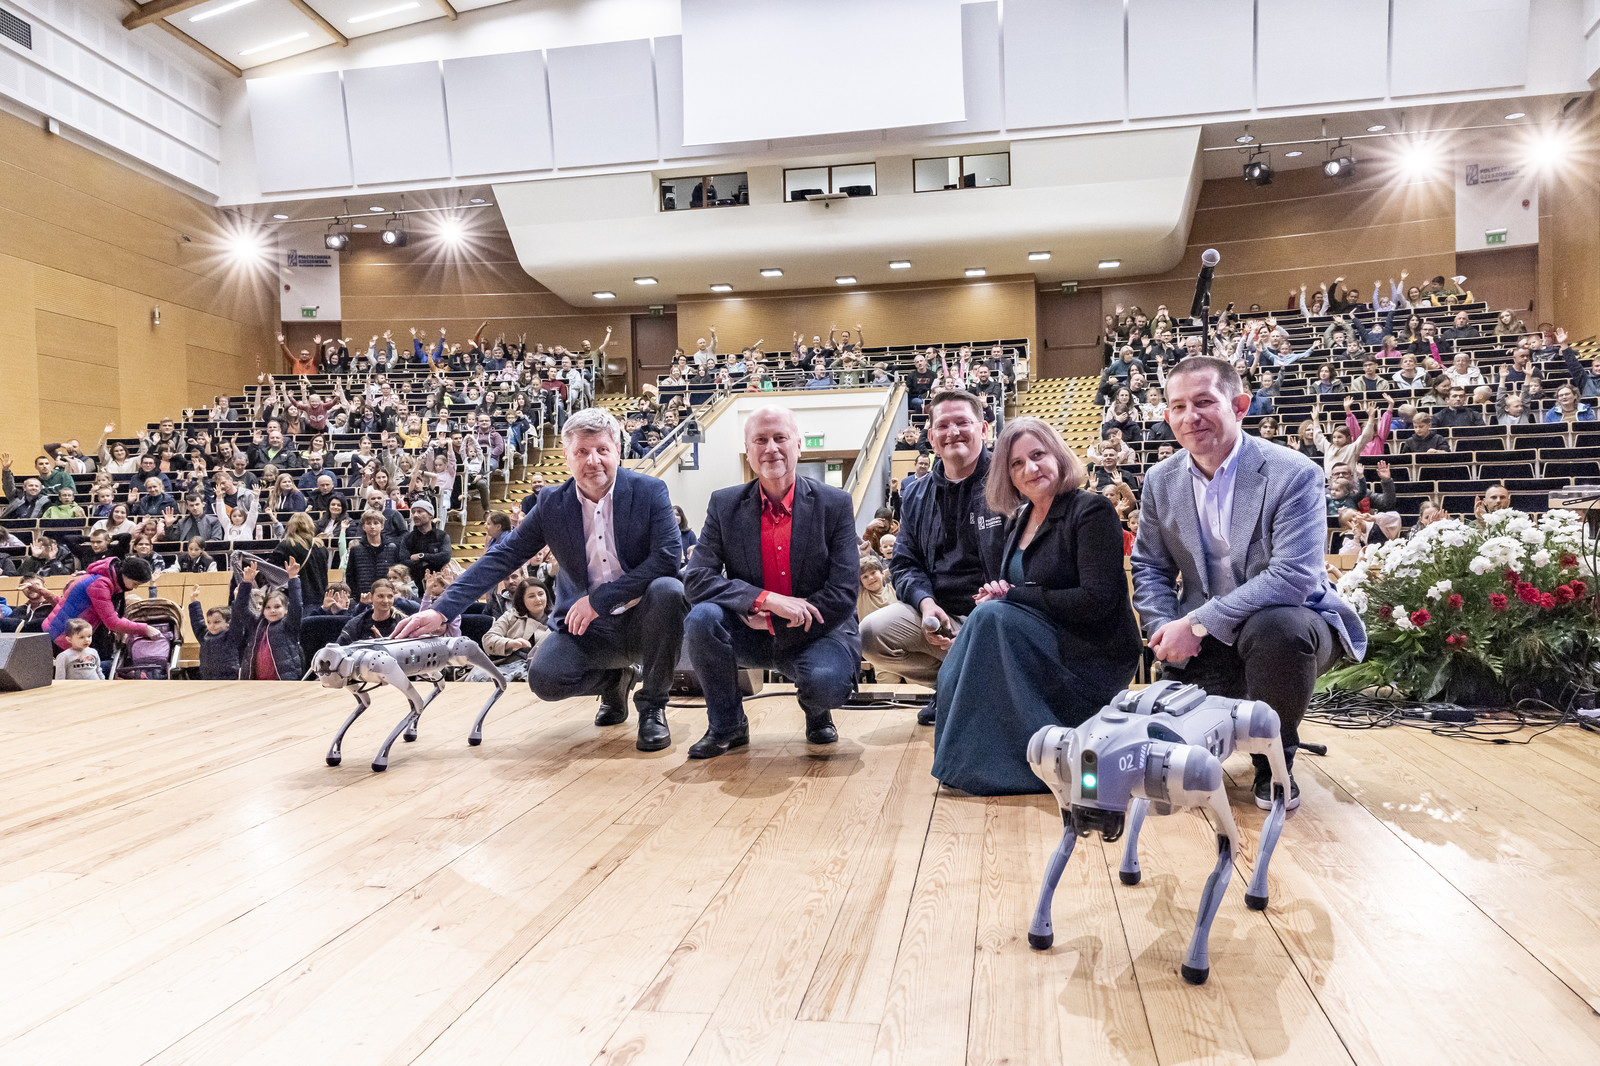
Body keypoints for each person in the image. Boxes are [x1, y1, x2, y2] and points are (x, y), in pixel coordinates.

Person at [1131, 356, 1367, 811]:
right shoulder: (1160, 480)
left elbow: (1293, 577)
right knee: (1177, 751)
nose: (1190, 416)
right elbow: (1149, 567)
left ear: (1239, 406)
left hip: (1292, 622)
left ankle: (1274, 764)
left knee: (1278, 628)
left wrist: (1195, 623)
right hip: (1205, 634)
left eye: (1204, 402)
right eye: (1178, 407)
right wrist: (1163, 628)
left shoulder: (1294, 472)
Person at [395, 408, 686, 754]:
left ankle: (652, 706)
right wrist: (442, 610)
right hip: (587, 628)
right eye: (582, 451)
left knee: (669, 590)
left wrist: (599, 600)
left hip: (643, 621)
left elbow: (668, 559)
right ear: (567, 456)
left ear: (618, 451)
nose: (593, 460)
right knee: (545, 679)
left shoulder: (650, 490)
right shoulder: (552, 504)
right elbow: (503, 556)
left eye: (602, 450)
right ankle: (614, 680)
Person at [929, 418, 1141, 795]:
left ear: (1057, 455)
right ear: (1007, 475)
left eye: (1038, 455)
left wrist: (1012, 595)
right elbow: (1016, 593)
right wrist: (1000, 593)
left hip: (1091, 655)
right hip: (1041, 645)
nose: (1030, 468)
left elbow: (1097, 601)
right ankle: (965, 762)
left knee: (989, 618)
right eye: (1016, 463)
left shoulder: (1090, 511)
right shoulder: (1019, 519)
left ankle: (1023, 767)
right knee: (981, 619)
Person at [681, 405, 860, 758]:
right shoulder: (724, 504)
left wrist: (774, 620)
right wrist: (764, 600)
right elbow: (697, 579)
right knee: (701, 619)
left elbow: (842, 593)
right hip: (750, 630)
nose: (771, 448)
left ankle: (817, 712)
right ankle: (727, 725)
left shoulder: (835, 504)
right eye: (760, 440)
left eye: (780, 438)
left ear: (799, 446)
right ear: (748, 451)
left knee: (827, 684)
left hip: (816, 631)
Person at [862, 390, 1004, 715]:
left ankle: (964, 689)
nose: (952, 432)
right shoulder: (915, 494)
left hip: (997, 616)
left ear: (983, 429)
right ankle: (949, 686)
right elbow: (904, 564)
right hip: (939, 617)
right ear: (931, 438)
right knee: (871, 634)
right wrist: (925, 604)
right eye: (942, 425)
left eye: (962, 422)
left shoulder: (1009, 482)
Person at [45, 554, 158, 657]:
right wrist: (145, 628)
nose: (135, 588)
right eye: (135, 583)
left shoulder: (103, 579)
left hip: (67, 632)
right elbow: (112, 622)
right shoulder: (100, 585)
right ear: (125, 575)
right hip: (62, 635)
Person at [232, 558, 303, 681]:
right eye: (268, 607)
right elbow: (241, 609)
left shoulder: (289, 625)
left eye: (277, 607)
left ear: (286, 609)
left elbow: (297, 605)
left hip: (284, 681)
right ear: (263, 610)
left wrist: (293, 578)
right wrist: (246, 582)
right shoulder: (256, 624)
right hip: (255, 681)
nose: (272, 610)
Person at [189, 585, 242, 680]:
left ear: (228, 623)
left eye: (216, 622)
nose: (212, 626)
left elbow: (238, 619)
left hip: (229, 679)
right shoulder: (205, 636)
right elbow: (197, 621)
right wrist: (194, 601)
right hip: (207, 679)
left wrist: (237, 600)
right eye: (209, 622)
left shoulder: (232, 635)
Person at [673, 504, 697, 568]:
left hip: (687, 569)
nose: (675, 517)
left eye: (677, 515)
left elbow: (696, 554)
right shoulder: (665, 535)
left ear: (682, 517)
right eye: (672, 515)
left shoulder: (690, 534)